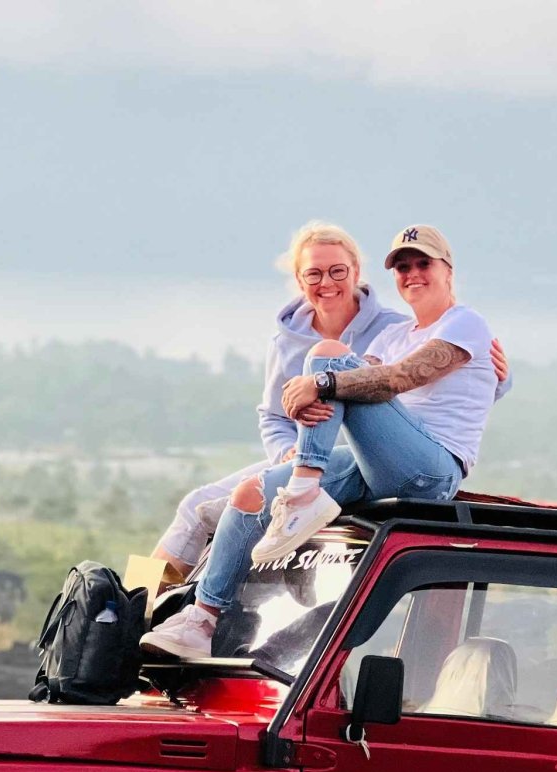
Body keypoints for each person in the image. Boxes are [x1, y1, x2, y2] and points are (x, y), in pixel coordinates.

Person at [142, 224, 499, 659]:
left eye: (424, 263)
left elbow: (404, 378)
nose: (413, 273)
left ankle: (303, 493)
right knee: (241, 496)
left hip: (426, 465)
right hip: (348, 455)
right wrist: (300, 424)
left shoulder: (456, 322)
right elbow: (276, 412)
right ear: (299, 280)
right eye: (403, 267)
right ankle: (175, 614)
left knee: (328, 358)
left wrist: (321, 383)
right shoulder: (376, 338)